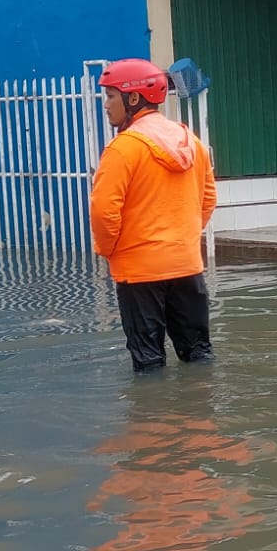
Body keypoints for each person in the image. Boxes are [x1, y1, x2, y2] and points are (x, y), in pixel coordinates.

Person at [89, 58, 217, 371]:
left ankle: (152, 419)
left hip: (139, 274)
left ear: (133, 98)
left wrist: (110, 251)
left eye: (110, 96)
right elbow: (209, 198)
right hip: (187, 267)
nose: (106, 105)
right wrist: (182, 240)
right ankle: (201, 418)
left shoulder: (123, 149)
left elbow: (104, 212)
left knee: (148, 365)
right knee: (199, 356)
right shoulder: (193, 143)